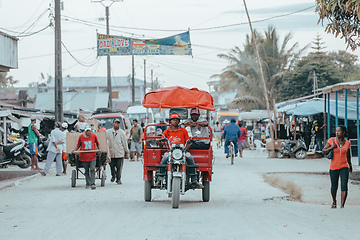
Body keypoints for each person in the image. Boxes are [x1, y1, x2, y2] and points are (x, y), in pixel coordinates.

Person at [156, 113, 203, 188]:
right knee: (164, 160)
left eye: (177, 120)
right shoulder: (166, 132)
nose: (175, 121)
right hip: (170, 152)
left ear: (179, 121)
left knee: (190, 158)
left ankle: (194, 180)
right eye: (173, 120)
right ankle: (160, 179)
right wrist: (159, 143)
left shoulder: (183, 131)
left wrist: (185, 150)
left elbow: (188, 142)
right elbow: (162, 144)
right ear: (170, 122)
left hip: (182, 152)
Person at [322, 125, 352, 209]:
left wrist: (350, 165)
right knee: (334, 186)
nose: (337, 133)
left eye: (339, 131)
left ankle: (342, 205)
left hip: (344, 167)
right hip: (334, 167)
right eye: (336, 131)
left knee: (344, 186)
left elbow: (348, 155)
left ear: (343, 133)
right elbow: (323, 151)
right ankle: (334, 201)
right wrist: (331, 147)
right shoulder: (331, 140)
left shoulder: (348, 143)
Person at [72, 124, 100, 190]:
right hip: (84, 157)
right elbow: (78, 145)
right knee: (86, 171)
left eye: (89, 131)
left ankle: (93, 183)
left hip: (92, 156)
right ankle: (88, 183)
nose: (88, 132)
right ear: (85, 131)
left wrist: (99, 150)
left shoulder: (94, 136)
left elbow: (97, 143)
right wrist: (74, 150)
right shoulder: (81, 137)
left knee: (92, 169)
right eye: (87, 131)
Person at [106, 119, 129, 185]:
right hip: (111, 152)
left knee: (119, 167)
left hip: (119, 152)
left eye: (118, 123)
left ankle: (118, 179)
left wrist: (126, 151)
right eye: (115, 123)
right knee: (112, 166)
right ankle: (113, 175)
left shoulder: (122, 132)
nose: (117, 124)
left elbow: (124, 143)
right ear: (113, 123)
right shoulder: (108, 132)